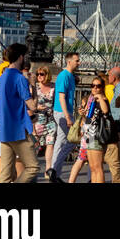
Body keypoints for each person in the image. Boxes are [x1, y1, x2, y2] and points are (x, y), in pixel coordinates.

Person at [0, 44, 39, 183]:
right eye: (25, 56)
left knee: (5, 175)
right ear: (20, 57)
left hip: (4, 130)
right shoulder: (19, 78)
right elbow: (33, 106)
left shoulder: (3, 77)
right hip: (18, 130)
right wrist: (33, 85)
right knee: (33, 167)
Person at [47, 52, 80, 182]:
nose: (79, 63)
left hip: (66, 112)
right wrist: (67, 116)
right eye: (77, 61)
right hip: (62, 112)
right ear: (69, 61)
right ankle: (54, 170)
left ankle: (54, 173)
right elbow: (61, 97)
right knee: (71, 142)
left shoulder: (70, 76)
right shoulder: (63, 76)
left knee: (61, 141)